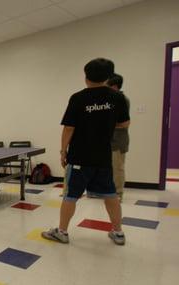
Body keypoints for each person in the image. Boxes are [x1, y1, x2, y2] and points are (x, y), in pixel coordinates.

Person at [42, 58, 130, 245]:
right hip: (104, 156)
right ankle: (118, 232)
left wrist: (63, 151)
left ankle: (62, 231)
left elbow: (68, 128)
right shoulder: (117, 97)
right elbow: (124, 123)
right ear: (108, 76)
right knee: (111, 195)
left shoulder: (78, 98)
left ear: (86, 77)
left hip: (80, 157)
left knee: (71, 195)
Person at [107, 73, 131, 201]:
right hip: (106, 141)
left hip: (118, 141)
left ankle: (118, 194)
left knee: (117, 168)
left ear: (115, 86)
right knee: (106, 168)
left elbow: (123, 123)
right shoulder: (107, 100)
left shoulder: (122, 100)